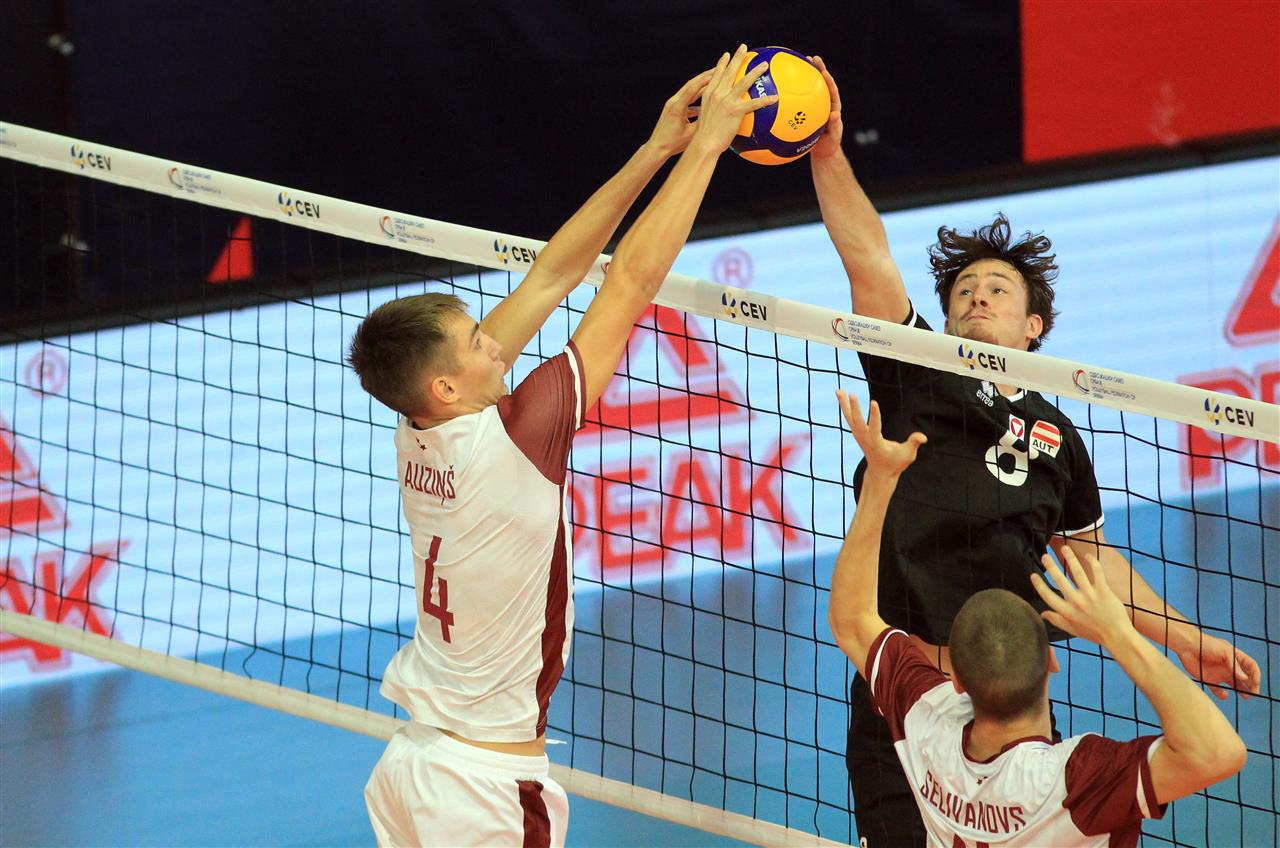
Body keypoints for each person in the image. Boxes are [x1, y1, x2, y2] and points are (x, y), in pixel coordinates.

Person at [805, 57, 1262, 847]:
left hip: (1003, 705)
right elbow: (867, 257)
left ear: (1033, 328)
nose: (977, 297)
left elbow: (1093, 568)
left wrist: (1190, 641)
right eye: (964, 292)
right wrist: (827, 153)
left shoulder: (1062, 439)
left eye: (998, 290)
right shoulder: (917, 369)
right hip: (905, 690)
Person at [347, 47, 775, 848]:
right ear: (447, 384)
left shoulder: (418, 424)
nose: (495, 343)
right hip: (483, 789)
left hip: (414, 765)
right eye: (478, 341)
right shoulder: (514, 437)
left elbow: (549, 276)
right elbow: (628, 285)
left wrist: (657, 148)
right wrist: (709, 150)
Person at [827, 390, 1247, 847]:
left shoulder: (927, 721)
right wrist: (1117, 634)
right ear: (1050, 662)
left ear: (958, 681)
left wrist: (881, 478)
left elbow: (852, 620)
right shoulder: (1073, 784)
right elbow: (1216, 753)